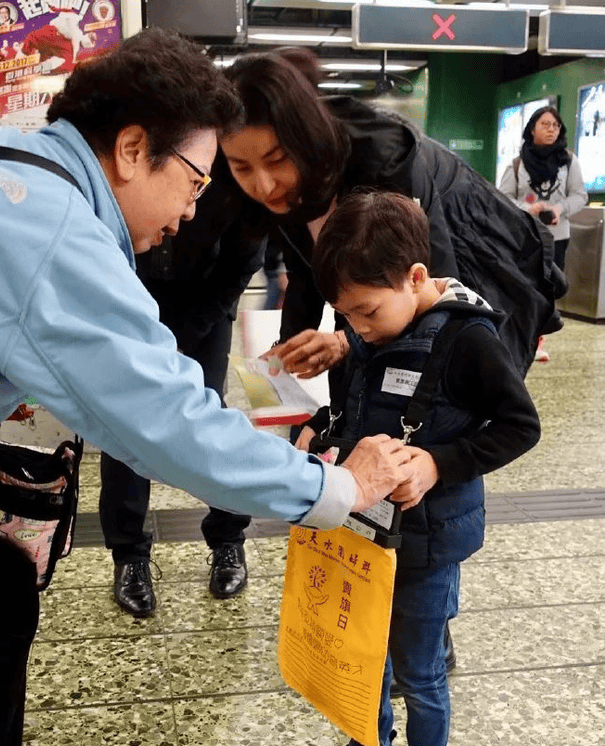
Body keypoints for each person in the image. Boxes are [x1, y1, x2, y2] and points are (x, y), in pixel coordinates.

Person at [0, 30, 414, 746]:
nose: (193, 209)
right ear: (133, 149)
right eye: (199, 180)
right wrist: (336, 488)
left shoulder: (4, 158)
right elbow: (169, 422)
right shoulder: (59, 230)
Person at [295, 190, 541, 746]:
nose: (357, 326)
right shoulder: (376, 325)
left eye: (365, 311)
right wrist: (321, 430)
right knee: (362, 648)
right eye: (345, 314)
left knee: (419, 669)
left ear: (414, 278)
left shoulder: (468, 340)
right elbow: (360, 403)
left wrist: (438, 463)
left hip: (429, 543)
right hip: (366, 529)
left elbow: (521, 426)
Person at [221, 52, 564, 383]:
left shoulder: (385, 162)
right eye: (241, 167)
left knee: (454, 372)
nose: (263, 185)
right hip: (393, 284)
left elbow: (431, 288)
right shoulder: (281, 187)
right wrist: (289, 349)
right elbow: (305, 269)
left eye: (277, 159)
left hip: (468, 248)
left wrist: (345, 342)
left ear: (304, 141)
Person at [102, 151, 268, 613]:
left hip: (205, 308)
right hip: (133, 300)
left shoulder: (232, 179)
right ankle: (129, 555)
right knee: (125, 423)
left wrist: (183, 335)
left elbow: (239, 268)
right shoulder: (137, 160)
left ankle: (227, 539)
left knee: (207, 420)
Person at [498, 105, 587, 361]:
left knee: (547, 290)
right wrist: (529, 208)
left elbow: (580, 195)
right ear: (532, 129)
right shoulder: (517, 164)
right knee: (524, 287)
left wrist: (560, 208)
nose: (551, 130)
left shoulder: (569, 161)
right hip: (525, 236)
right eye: (545, 124)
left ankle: (537, 340)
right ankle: (521, 338)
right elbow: (503, 199)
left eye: (556, 126)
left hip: (556, 237)